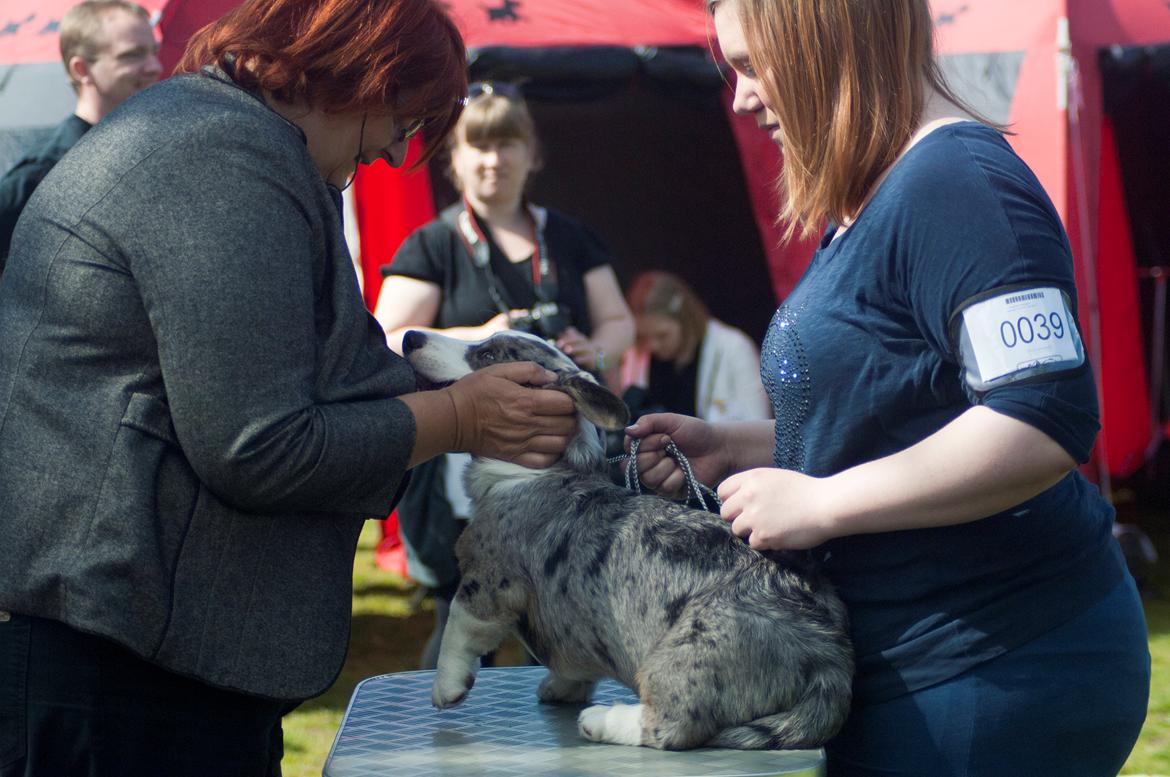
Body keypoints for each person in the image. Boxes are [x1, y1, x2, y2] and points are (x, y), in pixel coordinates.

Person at [0, 0, 580, 774]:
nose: (395, 151)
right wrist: (459, 416)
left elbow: (308, 378)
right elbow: (260, 442)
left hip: (143, 667)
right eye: (405, 119)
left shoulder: (225, 140)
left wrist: (461, 387)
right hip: (119, 687)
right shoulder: (222, 157)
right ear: (364, 75)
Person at [627, 0, 1151, 774]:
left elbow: (1040, 422)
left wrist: (819, 503)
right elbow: (901, 414)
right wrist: (736, 449)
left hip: (997, 665)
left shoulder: (960, 184)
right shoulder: (878, 194)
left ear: (822, 37)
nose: (738, 95)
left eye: (748, 64)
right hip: (913, 666)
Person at [373, 80, 635, 668]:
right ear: (456, 158)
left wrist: (591, 348)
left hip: (563, 478)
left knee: (568, 617)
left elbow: (619, 322)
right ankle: (450, 749)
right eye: (479, 146)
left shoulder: (569, 236)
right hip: (463, 471)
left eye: (508, 143)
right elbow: (386, 341)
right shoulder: (433, 244)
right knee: (462, 621)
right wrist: (487, 340)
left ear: (532, 154)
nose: (494, 159)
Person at [0, 0, 161, 273]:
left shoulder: (158, 153)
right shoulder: (41, 176)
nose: (154, 66)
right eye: (132, 55)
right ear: (81, 69)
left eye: (153, 52)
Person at [620, 269, 771, 422]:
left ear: (684, 319)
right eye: (644, 338)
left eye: (662, 335)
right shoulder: (638, 358)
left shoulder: (734, 348)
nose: (653, 346)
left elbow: (757, 422)